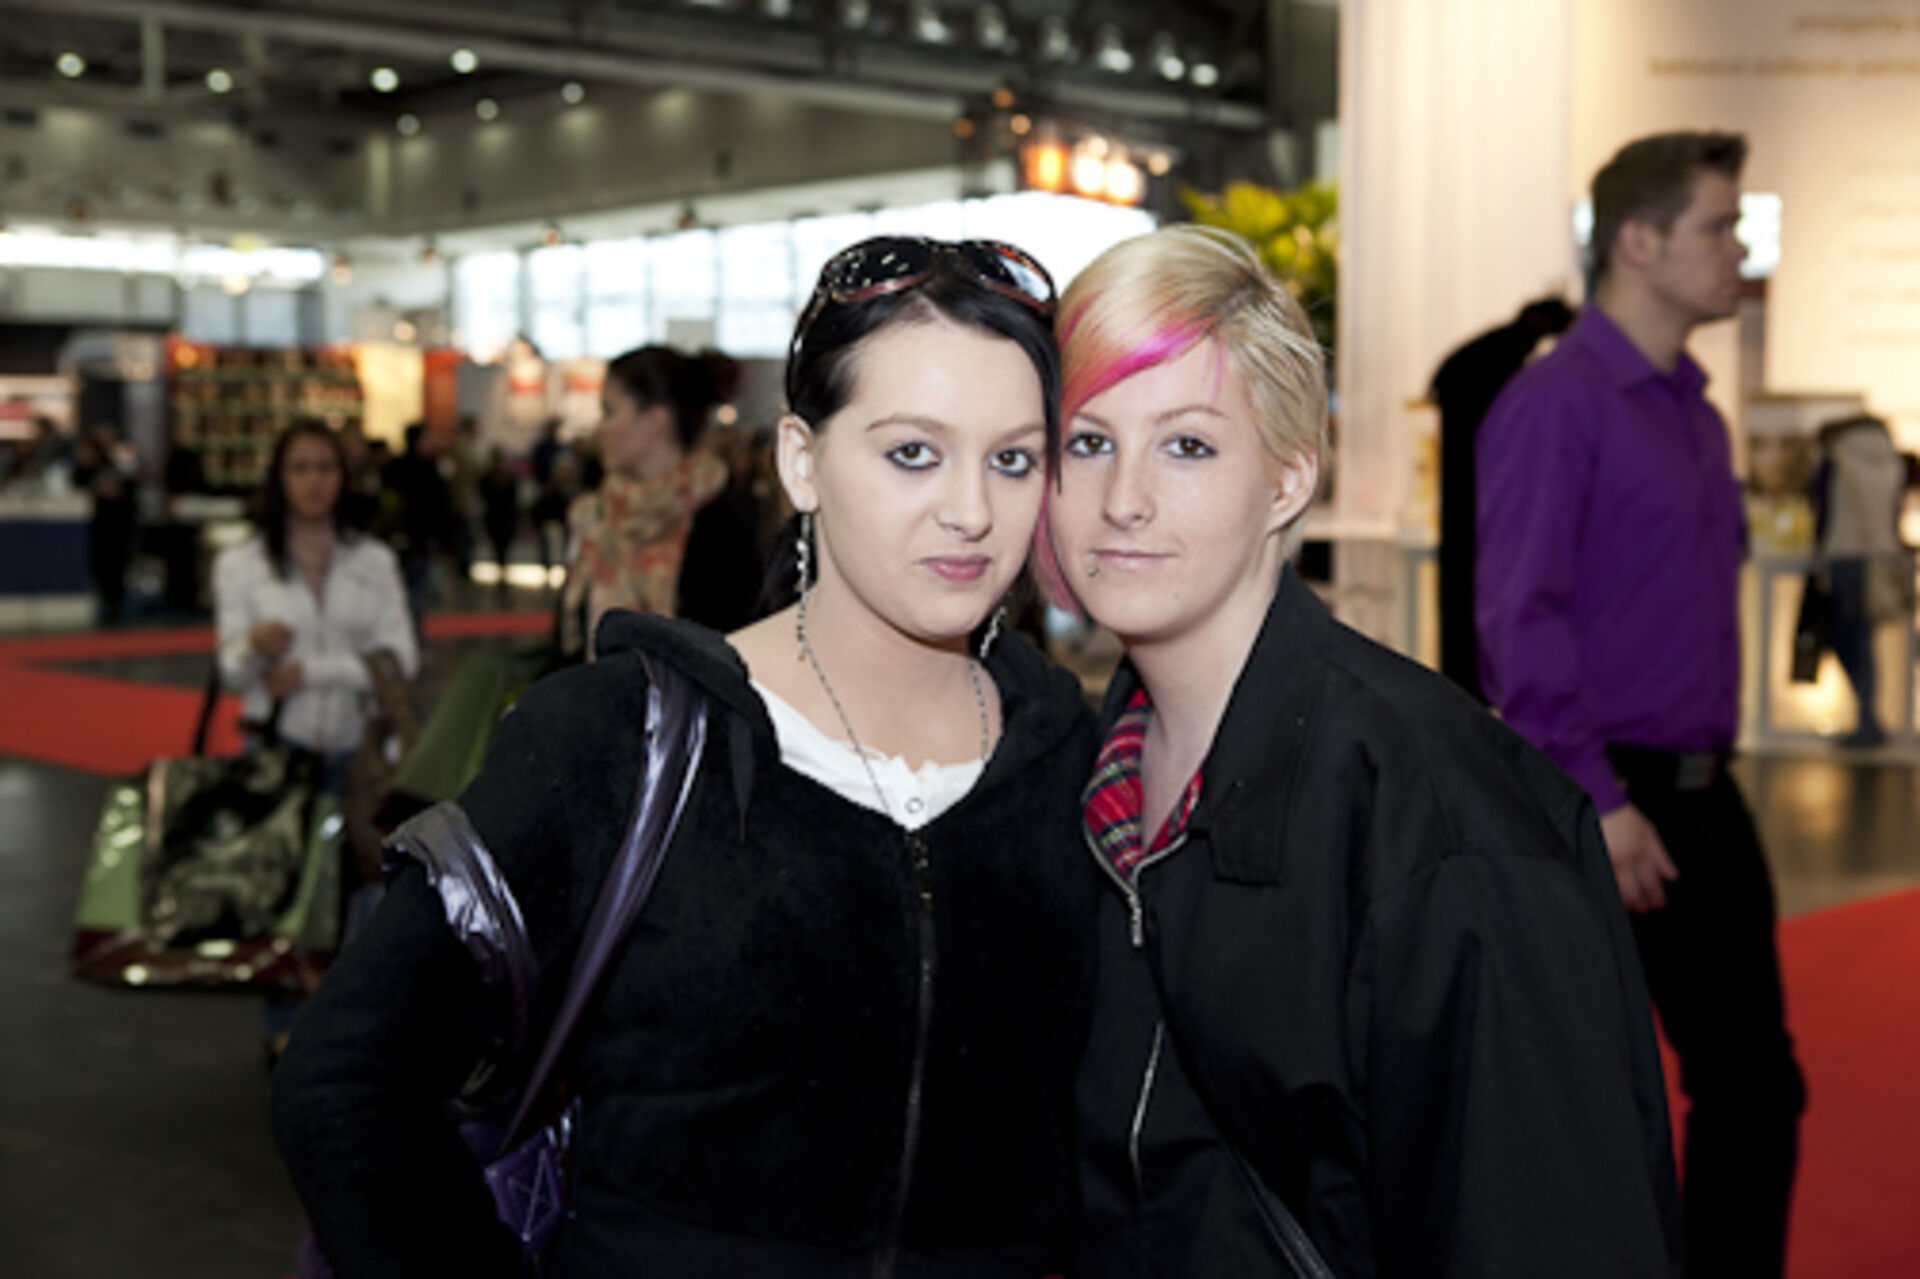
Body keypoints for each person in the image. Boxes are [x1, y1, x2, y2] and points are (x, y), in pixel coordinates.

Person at [272, 235, 1101, 1277]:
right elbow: (348, 1079)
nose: (971, 510)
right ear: (802, 460)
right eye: (912, 453)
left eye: (1012, 459)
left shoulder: (1071, 759)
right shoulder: (621, 739)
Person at [1039, 225, 1680, 1277]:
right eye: (1088, 442)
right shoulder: (1084, 776)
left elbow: (1544, 1228)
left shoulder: (1442, 815)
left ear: (1289, 478)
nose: (1123, 499)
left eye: (1187, 445)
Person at [1477, 131, 1805, 1277]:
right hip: (1606, 799)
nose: (1739, 250)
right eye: (1719, 226)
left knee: (1754, 1086)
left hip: (1706, 795)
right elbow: (1520, 617)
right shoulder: (1557, 403)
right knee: (1589, 1113)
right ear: (1639, 242)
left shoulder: (1697, 412)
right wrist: (1600, 800)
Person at [214, 419, 419, 1059]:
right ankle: (284, 1028)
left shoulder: (374, 560)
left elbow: (402, 657)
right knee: (284, 895)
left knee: (364, 892)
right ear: (278, 478)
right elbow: (230, 670)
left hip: (360, 754)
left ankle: (349, 1029)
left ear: (343, 477)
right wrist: (254, 647)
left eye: (325, 467)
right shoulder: (241, 563)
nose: (313, 481)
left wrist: (314, 671)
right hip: (280, 748)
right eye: (300, 468)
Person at [554, 344, 750, 654]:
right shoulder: (595, 515)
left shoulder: (722, 525)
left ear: (656, 420)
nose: (599, 428)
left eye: (610, 411)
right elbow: (566, 646)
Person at [1428, 295, 1573, 699]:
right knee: (1472, 592)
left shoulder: (1496, 351)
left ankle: (1467, 684)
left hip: (1468, 494)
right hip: (1475, 494)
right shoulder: (1504, 357)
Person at [1812, 411, 1911, 748]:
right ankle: (1869, 718)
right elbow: (1895, 511)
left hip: (1845, 556)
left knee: (1846, 641)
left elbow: (1822, 508)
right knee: (1864, 643)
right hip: (1880, 558)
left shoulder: (1837, 457)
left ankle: (1867, 719)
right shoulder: (1891, 460)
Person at [478, 446, 523, 599]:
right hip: (499, 518)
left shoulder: (500, 478)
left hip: (500, 518)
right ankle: (501, 574)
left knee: (501, 550)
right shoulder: (491, 478)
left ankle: (502, 574)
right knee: (500, 550)